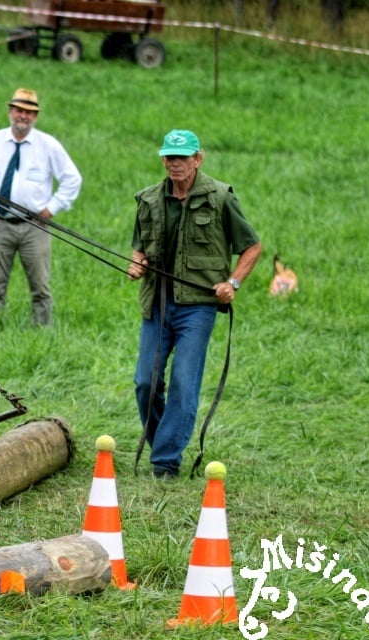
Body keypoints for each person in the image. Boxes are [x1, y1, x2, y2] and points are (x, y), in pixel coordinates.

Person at [126, 129, 262, 479]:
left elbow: (252, 247)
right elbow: (139, 245)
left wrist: (232, 283)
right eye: (170, 157)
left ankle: (165, 462)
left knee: (185, 383)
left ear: (197, 159)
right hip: (157, 303)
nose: (175, 164)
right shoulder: (149, 200)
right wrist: (137, 262)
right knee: (146, 381)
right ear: (163, 160)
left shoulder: (219, 197)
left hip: (197, 307)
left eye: (182, 157)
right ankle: (163, 444)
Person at [0, 88, 82, 326]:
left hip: (34, 226)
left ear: (35, 117)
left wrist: (51, 209)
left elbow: (72, 178)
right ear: (10, 112)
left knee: (40, 287)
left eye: (29, 112)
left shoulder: (48, 145)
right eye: (19, 111)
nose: (23, 116)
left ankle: (43, 331)